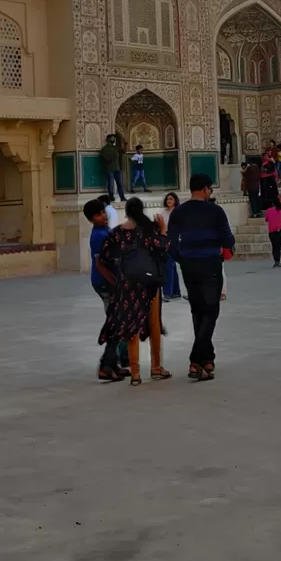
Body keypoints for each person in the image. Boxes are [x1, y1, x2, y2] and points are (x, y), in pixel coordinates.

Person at [166, 173, 235, 380]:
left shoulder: (179, 212)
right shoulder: (215, 211)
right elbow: (227, 239)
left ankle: (207, 358)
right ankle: (196, 359)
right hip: (210, 264)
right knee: (211, 310)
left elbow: (171, 243)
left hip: (189, 265)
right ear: (206, 189)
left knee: (197, 310)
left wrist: (182, 258)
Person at [96, 198, 171, 386]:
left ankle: (136, 374)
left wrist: (117, 279)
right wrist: (163, 231)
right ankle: (155, 368)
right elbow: (163, 248)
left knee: (132, 328)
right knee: (154, 324)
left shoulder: (116, 233)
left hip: (127, 284)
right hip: (150, 283)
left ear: (127, 212)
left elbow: (104, 258)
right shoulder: (149, 229)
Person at [86, 198, 128, 381]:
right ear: (91, 219)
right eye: (98, 214)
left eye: (103, 212)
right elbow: (101, 265)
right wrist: (115, 284)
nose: (102, 216)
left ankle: (113, 364)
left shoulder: (105, 231)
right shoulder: (98, 236)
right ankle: (106, 364)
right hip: (105, 283)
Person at [157, 192, 183, 300]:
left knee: (169, 266)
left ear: (175, 201)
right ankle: (175, 291)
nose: (169, 201)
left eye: (171, 199)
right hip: (166, 239)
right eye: (167, 199)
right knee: (170, 266)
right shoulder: (164, 212)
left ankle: (168, 293)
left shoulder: (179, 212)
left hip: (177, 240)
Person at [99, 134, 125, 201]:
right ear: (108, 139)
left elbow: (124, 151)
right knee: (111, 184)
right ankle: (111, 197)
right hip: (110, 169)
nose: (113, 139)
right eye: (112, 138)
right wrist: (109, 158)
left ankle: (122, 197)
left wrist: (125, 144)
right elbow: (104, 158)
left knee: (120, 184)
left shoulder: (116, 148)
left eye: (114, 138)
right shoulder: (104, 149)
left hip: (117, 168)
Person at [265, 199, 281, 267]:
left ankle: (276, 260)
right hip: (279, 230)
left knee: (274, 246)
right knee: (278, 246)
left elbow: (266, 219)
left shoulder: (268, 210)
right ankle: (278, 261)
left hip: (271, 232)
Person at [259, 147, 280, 213]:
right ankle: (266, 206)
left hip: (270, 180)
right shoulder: (263, 163)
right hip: (264, 180)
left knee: (271, 194)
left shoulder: (270, 163)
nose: (264, 157)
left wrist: (265, 172)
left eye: (265, 156)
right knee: (265, 193)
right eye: (263, 156)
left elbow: (272, 171)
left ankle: (272, 206)